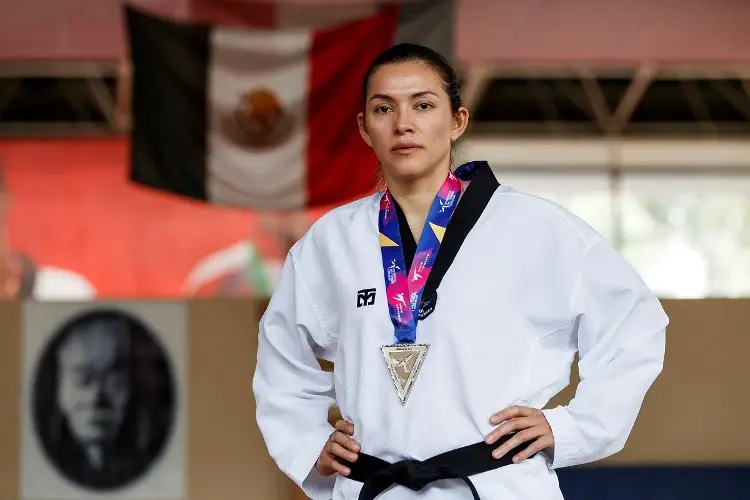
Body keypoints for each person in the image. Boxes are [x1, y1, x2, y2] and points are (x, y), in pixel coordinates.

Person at [252, 43, 668, 500]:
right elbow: (282, 351)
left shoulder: (538, 228)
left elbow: (634, 323)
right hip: (376, 487)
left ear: (457, 121)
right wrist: (307, 441)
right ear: (365, 128)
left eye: (423, 105)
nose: (403, 123)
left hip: (496, 485)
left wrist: (573, 425)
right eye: (383, 108)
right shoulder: (331, 241)